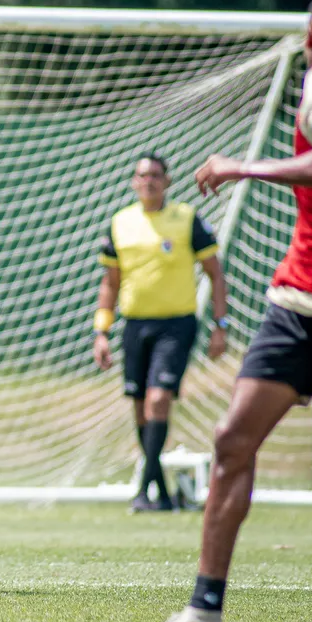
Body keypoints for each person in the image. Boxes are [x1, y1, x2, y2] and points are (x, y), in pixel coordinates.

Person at [130, 0, 312, 622]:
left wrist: (244, 165)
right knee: (230, 439)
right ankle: (202, 614)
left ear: (310, 34)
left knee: (230, 442)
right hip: (300, 301)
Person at [93, 154, 228, 512]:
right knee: (139, 410)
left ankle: (142, 489)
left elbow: (215, 274)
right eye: (142, 176)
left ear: (167, 181)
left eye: (155, 175)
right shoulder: (120, 223)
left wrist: (221, 325)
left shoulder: (186, 219)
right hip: (135, 326)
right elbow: (110, 283)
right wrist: (101, 331)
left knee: (157, 401)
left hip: (176, 325)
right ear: (133, 183)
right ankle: (162, 494)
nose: (148, 181)